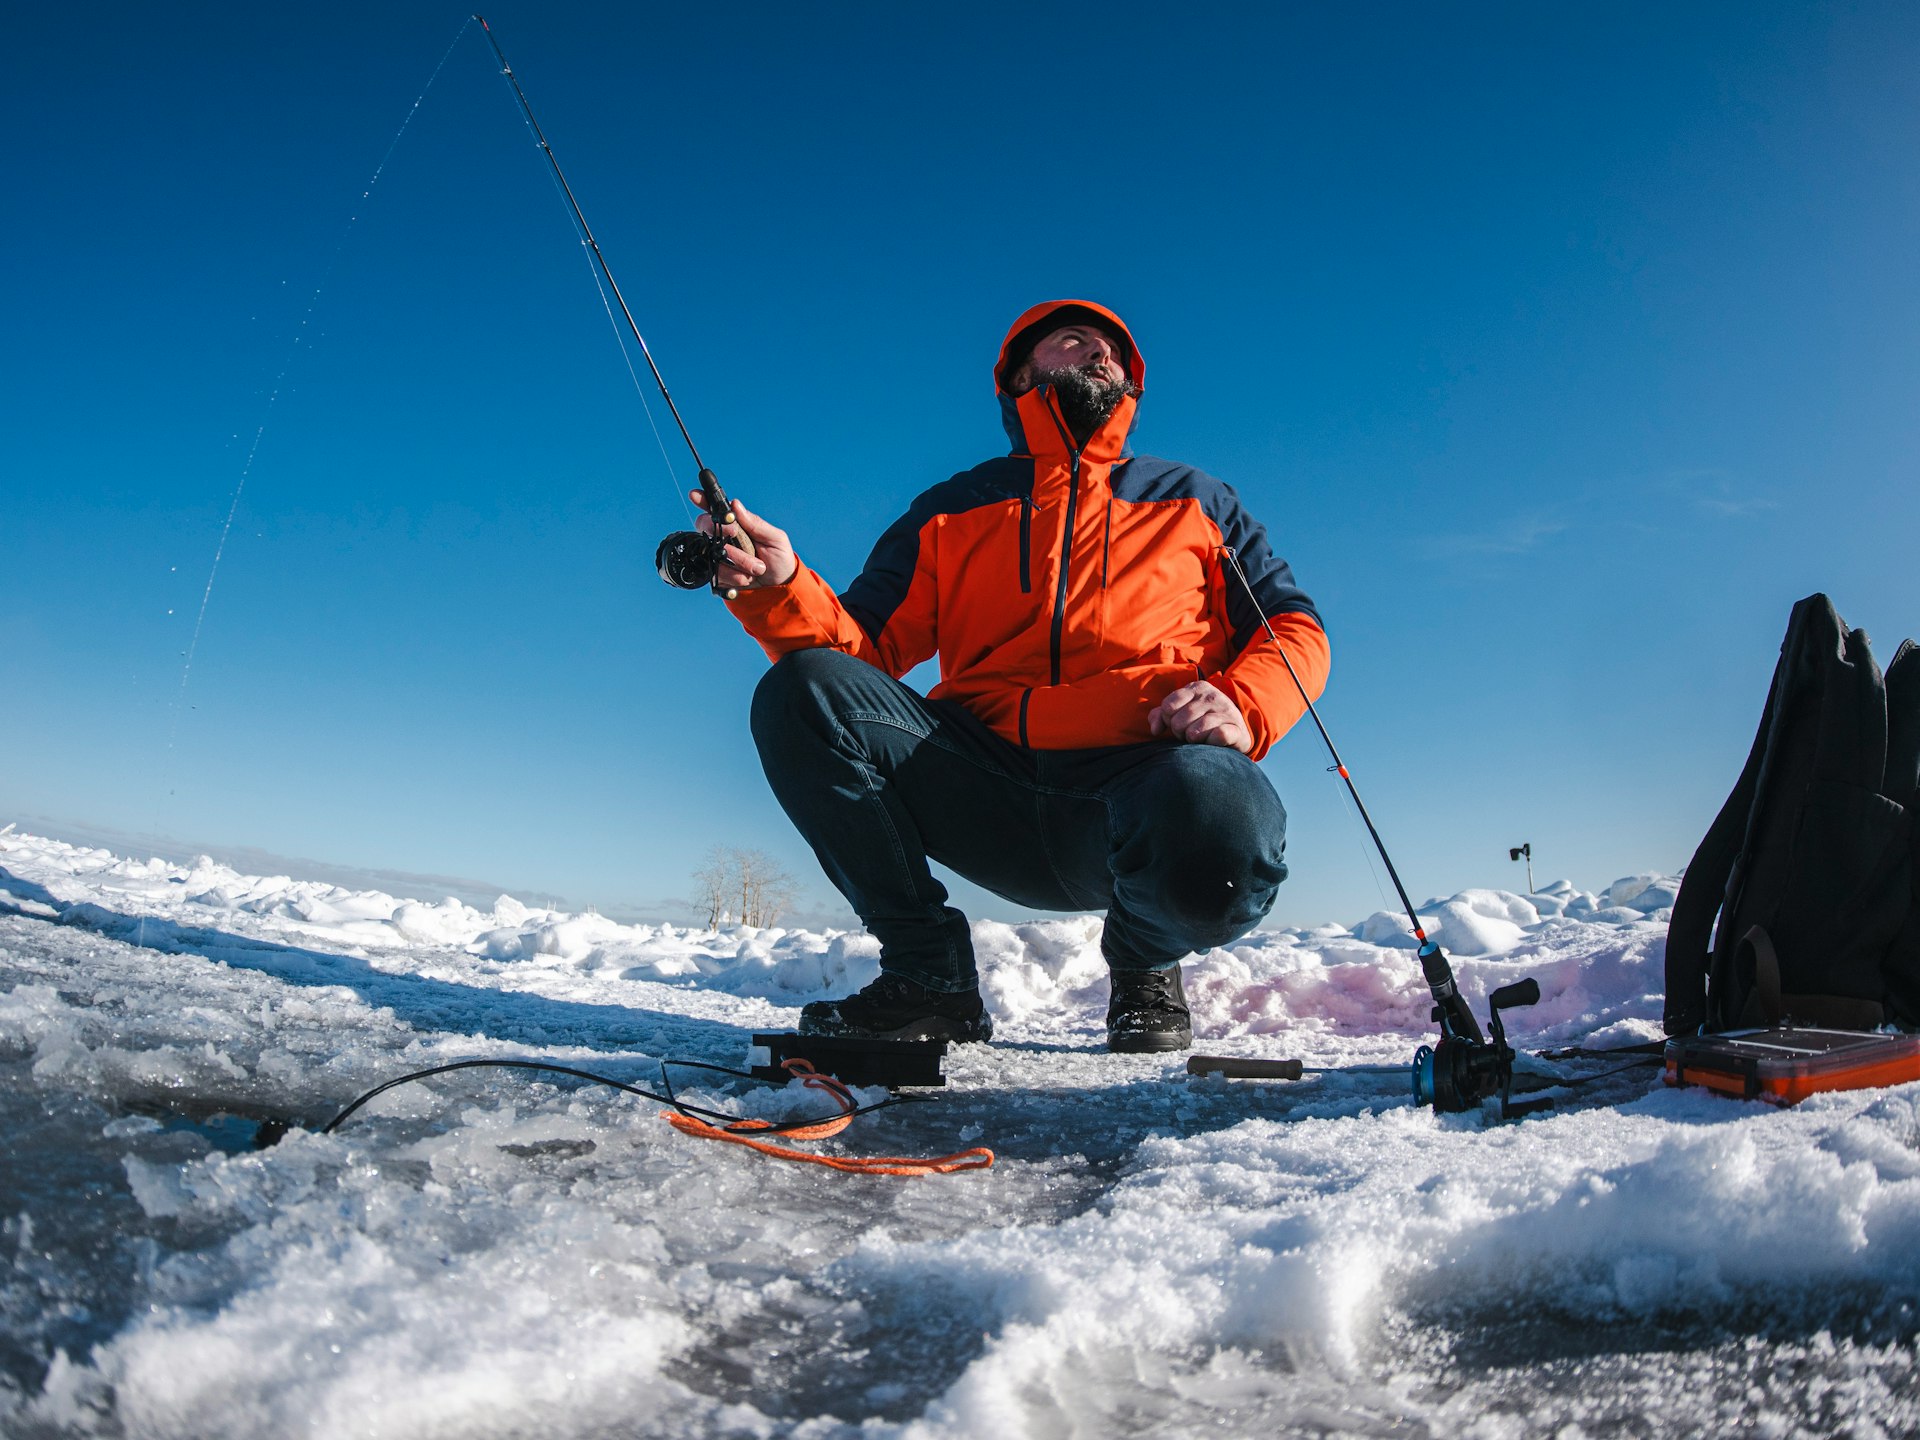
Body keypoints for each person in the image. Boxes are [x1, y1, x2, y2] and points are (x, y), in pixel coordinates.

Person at [692, 300, 1329, 1052]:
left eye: (1113, 352)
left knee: (1220, 808)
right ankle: (930, 979)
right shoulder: (952, 507)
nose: (1100, 355)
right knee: (804, 688)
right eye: (1073, 342)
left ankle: (1145, 963)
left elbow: (1293, 628)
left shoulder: (1196, 500)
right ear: (1021, 375)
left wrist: (1240, 701)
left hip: (1142, 786)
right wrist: (779, 586)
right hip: (979, 781)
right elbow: (860, 652)